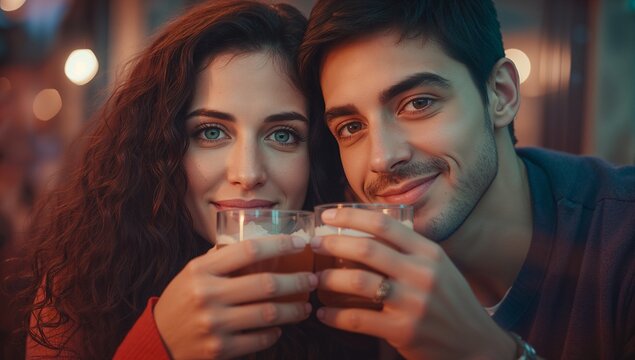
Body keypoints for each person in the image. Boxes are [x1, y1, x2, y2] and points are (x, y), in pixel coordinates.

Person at [299, 0, 635, 359]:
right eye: (351, 127)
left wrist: (489, 352)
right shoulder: (347, 275)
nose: (382, 158)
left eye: (418, 103)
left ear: (500, 94)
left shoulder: (622, 235)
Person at [21, 2, 321, 359]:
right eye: (211, 132)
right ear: (158, 146)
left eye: (283, 136)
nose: (247, 174)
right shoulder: (83, 288)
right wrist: (158, 343)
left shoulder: (353, 288)